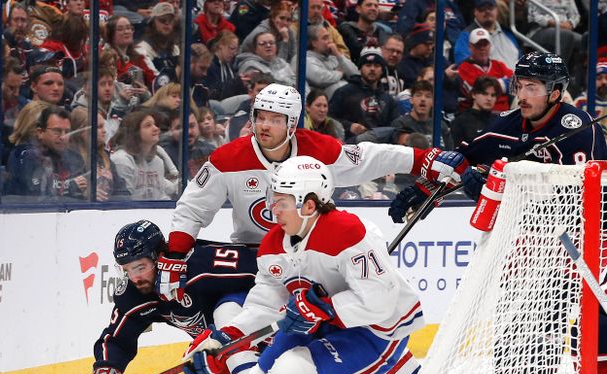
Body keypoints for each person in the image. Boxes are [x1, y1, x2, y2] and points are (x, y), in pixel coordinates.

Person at [165, 156, 424, 374]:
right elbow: (263, 302)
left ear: (309, 205)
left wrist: (326, 307)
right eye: (273, 198)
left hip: (377, 330)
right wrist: (223, 339)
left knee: (292, 369)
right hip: (320, 322)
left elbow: (380, 301)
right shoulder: (273, 244)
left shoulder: (349, 233)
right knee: (258, 373)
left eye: (282, 201)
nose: (272, 208)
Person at [156, 82, 466, 302]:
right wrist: (175, 254)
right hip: (257, 254)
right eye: (260, 116)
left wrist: (422, 160)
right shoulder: (227, 159)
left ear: (292, 125)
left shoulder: (317, 149)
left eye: (274, 120)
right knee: (209, 276)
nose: (264, 126)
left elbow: (367, 158)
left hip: (311, 255)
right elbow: (192, 208)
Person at [389, 52, 607, 222]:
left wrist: (498, 194)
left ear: (556, 93)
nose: (522, 96)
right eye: (519, 86)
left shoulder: (578, 130)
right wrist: (427, 190)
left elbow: (576, 201)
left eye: (531, 87)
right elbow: (462, 158)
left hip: (585, 238)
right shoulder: (510, 122)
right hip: (531, 236)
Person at [84, 220, 259, 374]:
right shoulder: (134, 294)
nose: (135, 277)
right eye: (127, 269)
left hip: (264, 332)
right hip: (231, 354)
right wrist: (107, 371)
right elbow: (116, 339)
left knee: (226, 309)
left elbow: (268, 272)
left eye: (140, 267)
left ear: (160, 257)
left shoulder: (201, 263)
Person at [7, 105, 87, 199]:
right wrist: (70, 187)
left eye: (67, 132)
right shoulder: (26, 156)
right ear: (40, 132)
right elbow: (37, 195)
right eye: (57, 131)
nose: (63, 137)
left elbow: (82, 189)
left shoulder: (73, 158)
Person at [328, 47, 399, 141]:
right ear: (360, 68)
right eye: (368, 65)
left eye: (377, 65)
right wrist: (349, 126)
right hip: (351, 145)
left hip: (380, 148)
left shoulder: (388, 99)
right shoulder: (344, 92)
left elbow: (394, 128)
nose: (372, 69)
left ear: (382, 70)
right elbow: (329, 119)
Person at [109, 109, 179, 200]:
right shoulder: (121, 160)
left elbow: (161, 196)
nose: (156, 128)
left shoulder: (158, 162)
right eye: (148, 125)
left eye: (155, 124)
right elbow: (123, 200)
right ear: (134, 132)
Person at [456, 28, 512, 112]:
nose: (482, 48)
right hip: (477, 116)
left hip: (503, 115)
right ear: (470, 47)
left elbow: (517, 82)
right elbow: (478, 92)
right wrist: (503, 83)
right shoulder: (463, 68)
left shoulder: (499, 65)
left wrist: (494, 85)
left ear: (490, 45)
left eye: (485, 44)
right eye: (478, 45)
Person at [453, 0, 520, 68]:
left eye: (490, 7)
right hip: (485, 78)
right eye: (482, 8)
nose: (487, 11)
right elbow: (463, 65)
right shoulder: (466, 36)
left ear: (497, 10)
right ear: (475, 12)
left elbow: (521, 59)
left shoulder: (509, 34)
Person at [304, 23, 358, 101]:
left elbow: (355, 73)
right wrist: (341, 74)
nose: (330, 41)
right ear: (314, 43)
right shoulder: (306, 59)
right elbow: (320, 78)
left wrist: (338, 55)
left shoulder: (334, 57)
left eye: (329, 38)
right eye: (325, 38)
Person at [450, 75, 500, 146]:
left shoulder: (499, 121)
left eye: (493, 95)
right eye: (484, 94)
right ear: (474, 94)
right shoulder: (460, 122)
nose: (489, 98)